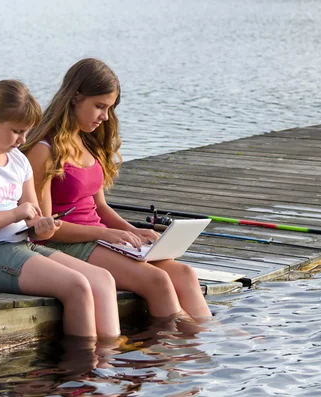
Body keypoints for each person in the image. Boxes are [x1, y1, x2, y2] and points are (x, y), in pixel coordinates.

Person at [22, 58, 212, 322]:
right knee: (156, 280)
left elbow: (99, 207)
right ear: (75, 97)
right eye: (99, 107)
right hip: (66, 244)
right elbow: (45, 231)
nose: (105, 116)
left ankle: (203, 338)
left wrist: (132, 232)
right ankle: (186, 347)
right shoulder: (44, 150)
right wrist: (107, 234)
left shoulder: (88, 142)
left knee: (185, 274)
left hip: (101, 239)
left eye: (109, 108)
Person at [0, 79, 120, 340]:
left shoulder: (19, 162)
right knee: (76, 285)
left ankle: (107, 357)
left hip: (20, 246)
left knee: (102, 279)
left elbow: (36, 228)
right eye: (16, 131)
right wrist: (16, 214)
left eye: (27, 132)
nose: (23, 140)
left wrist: (44, 227)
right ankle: (82, 370)